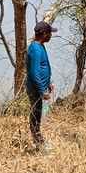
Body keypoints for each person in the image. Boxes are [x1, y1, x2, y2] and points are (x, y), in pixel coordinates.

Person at [25, 21, 56, 152]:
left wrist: (48, 83)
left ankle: (38, 141)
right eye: (49, 33)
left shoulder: (40, 46)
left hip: (39, 87)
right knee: (36, 115)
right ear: (43, 34)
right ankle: (38, 143)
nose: (51, 35)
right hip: (35, 89)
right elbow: (34, 72)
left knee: (37, 114)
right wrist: (42, 90)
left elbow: (42, 67)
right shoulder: (36, 49)